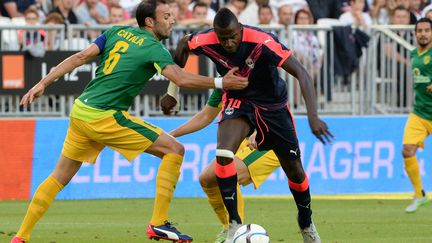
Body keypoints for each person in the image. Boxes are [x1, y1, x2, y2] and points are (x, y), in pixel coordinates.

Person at [10, 0, 248, 242]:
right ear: (149, 21)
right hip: (105, 115)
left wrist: (43, 83)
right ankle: (158, 223)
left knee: (58, 177)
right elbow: (180, 77)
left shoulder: (116, 31)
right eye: (166, 16)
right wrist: (221, 82)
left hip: (81, 111)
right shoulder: (154, 48)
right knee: (174, 149)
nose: (173, 20)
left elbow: (81, 56)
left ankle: (21, 236)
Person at [162, 7, 332, 242]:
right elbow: (182, 45)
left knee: (295, 170)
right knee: (223, 153)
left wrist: (313, 116)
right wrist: (172, 91)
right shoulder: (206, 41)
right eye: (223, 39)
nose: (229, 43)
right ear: (216, 34)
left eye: (233, 36)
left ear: (240, 29)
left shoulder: (262, 41)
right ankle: (234, 224)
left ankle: (305, 220)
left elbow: (301, 73)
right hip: (239, 102)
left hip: (273, 107)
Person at [164, 86, 331, 243]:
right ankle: (231, 228)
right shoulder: (223, 81)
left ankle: (305, 223)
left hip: (272, 137)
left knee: (231, 175)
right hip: (246, 142)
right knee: (207, 179)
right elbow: (205, 116)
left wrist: (260, 130)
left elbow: (275, 107)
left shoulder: (257, 72)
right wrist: (170, 135)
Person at [402, 17, 432, 213]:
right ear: (415, 33)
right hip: (420, 113)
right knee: (407, 150)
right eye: (419, 30)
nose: (423, 34)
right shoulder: (414, 54)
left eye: (427, 30)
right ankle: (420, 194)